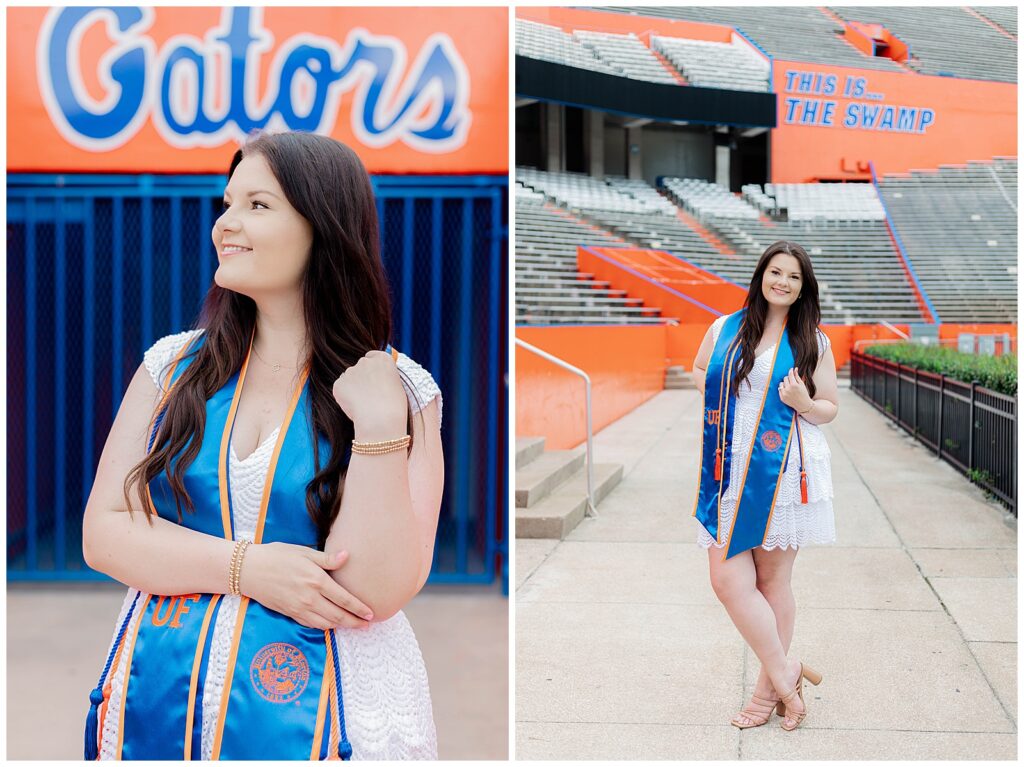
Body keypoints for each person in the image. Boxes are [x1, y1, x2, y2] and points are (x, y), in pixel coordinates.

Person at [81, 130, 444, 760]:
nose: (226, 224)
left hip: (335, 705)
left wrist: (381, 431)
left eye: (258, 205)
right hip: (164, 690)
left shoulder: (400, 388)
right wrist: (248, 569)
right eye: (226, 204)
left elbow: (374, 592)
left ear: (322, 226)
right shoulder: (173, 368)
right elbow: (104, 534)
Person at [689, 240, 838, 732]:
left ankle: (763, 694)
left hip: (783, 467)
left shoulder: (813, 340)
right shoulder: (726, 328)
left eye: (794, 277)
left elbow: (830, 409)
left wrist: (801, 400)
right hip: (728, 464)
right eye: (776, 272)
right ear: (761, 275)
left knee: (772, 581)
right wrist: (722, 391)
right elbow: (698, 370)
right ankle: (787, 672)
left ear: (803, 287)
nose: (783, 282)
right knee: (727, 580)